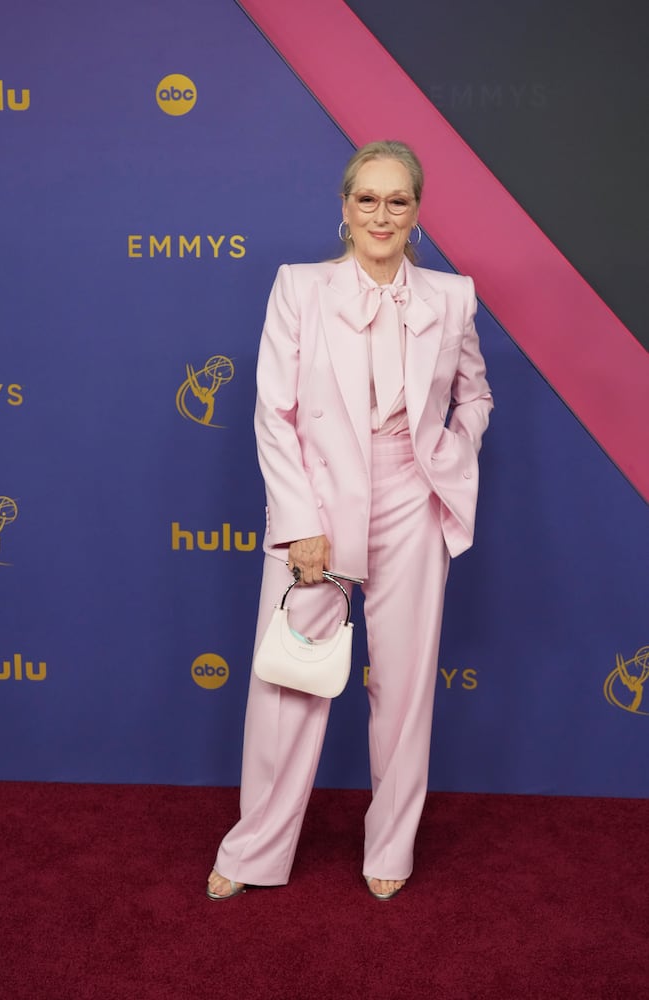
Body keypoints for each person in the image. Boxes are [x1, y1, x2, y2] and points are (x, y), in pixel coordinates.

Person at [207, 140, 493, 901]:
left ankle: (389, 847)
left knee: (402, 689)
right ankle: (254, 849)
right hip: (321, 503)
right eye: (366, 199)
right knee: (289, 684)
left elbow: (476, 395)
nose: (380, 213)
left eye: (396, 201)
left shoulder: (450, 296)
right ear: (344, 207)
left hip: (411, 499)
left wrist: (446, 452)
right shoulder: (298, 288)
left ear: (416, 213)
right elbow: (274, 411)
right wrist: (299, 521)